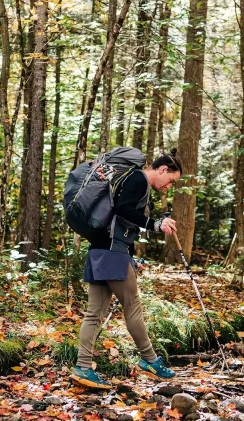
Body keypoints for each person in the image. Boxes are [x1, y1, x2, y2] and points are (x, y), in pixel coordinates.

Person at [70, 148, 183, 389]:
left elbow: (118, 217)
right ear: (162, 169)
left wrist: (130, 256)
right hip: (112, 252)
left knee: (93, 313)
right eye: (170, 181)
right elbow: (123, 210)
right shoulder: (138, 179)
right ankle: (150, 360)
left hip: (99, 250)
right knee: (133, 307)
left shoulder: (129, 179)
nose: (168, 187)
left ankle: (82, 367)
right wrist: (155, 224)